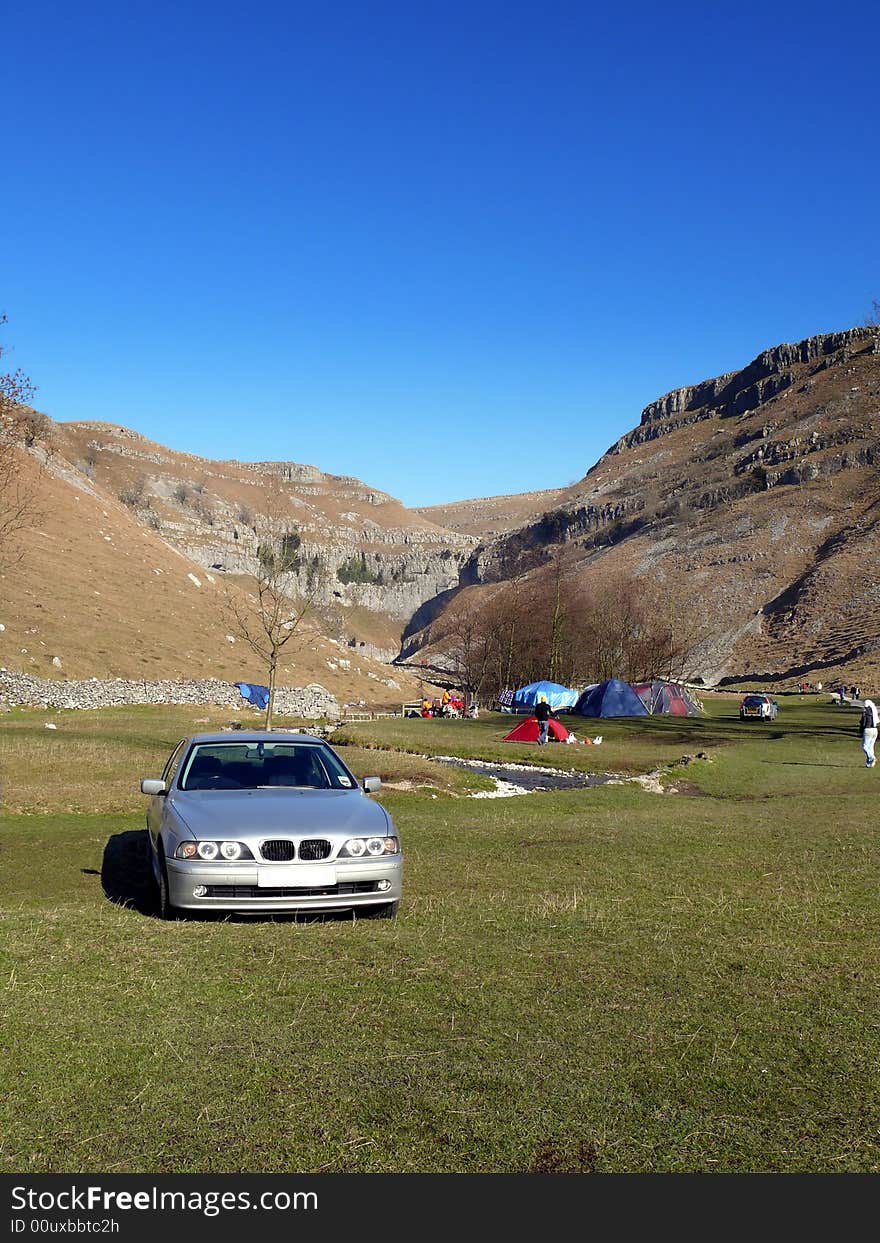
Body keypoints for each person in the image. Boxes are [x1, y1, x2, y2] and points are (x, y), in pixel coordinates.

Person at [859, 698, 878, 768]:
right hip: (875, 730)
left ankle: (872, 757)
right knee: (870, 747)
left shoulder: (865, 712)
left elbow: (863, 722)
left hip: (868, 730)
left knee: (864, 746)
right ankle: (869, 764)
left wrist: (860, 730)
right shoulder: (874, 711)